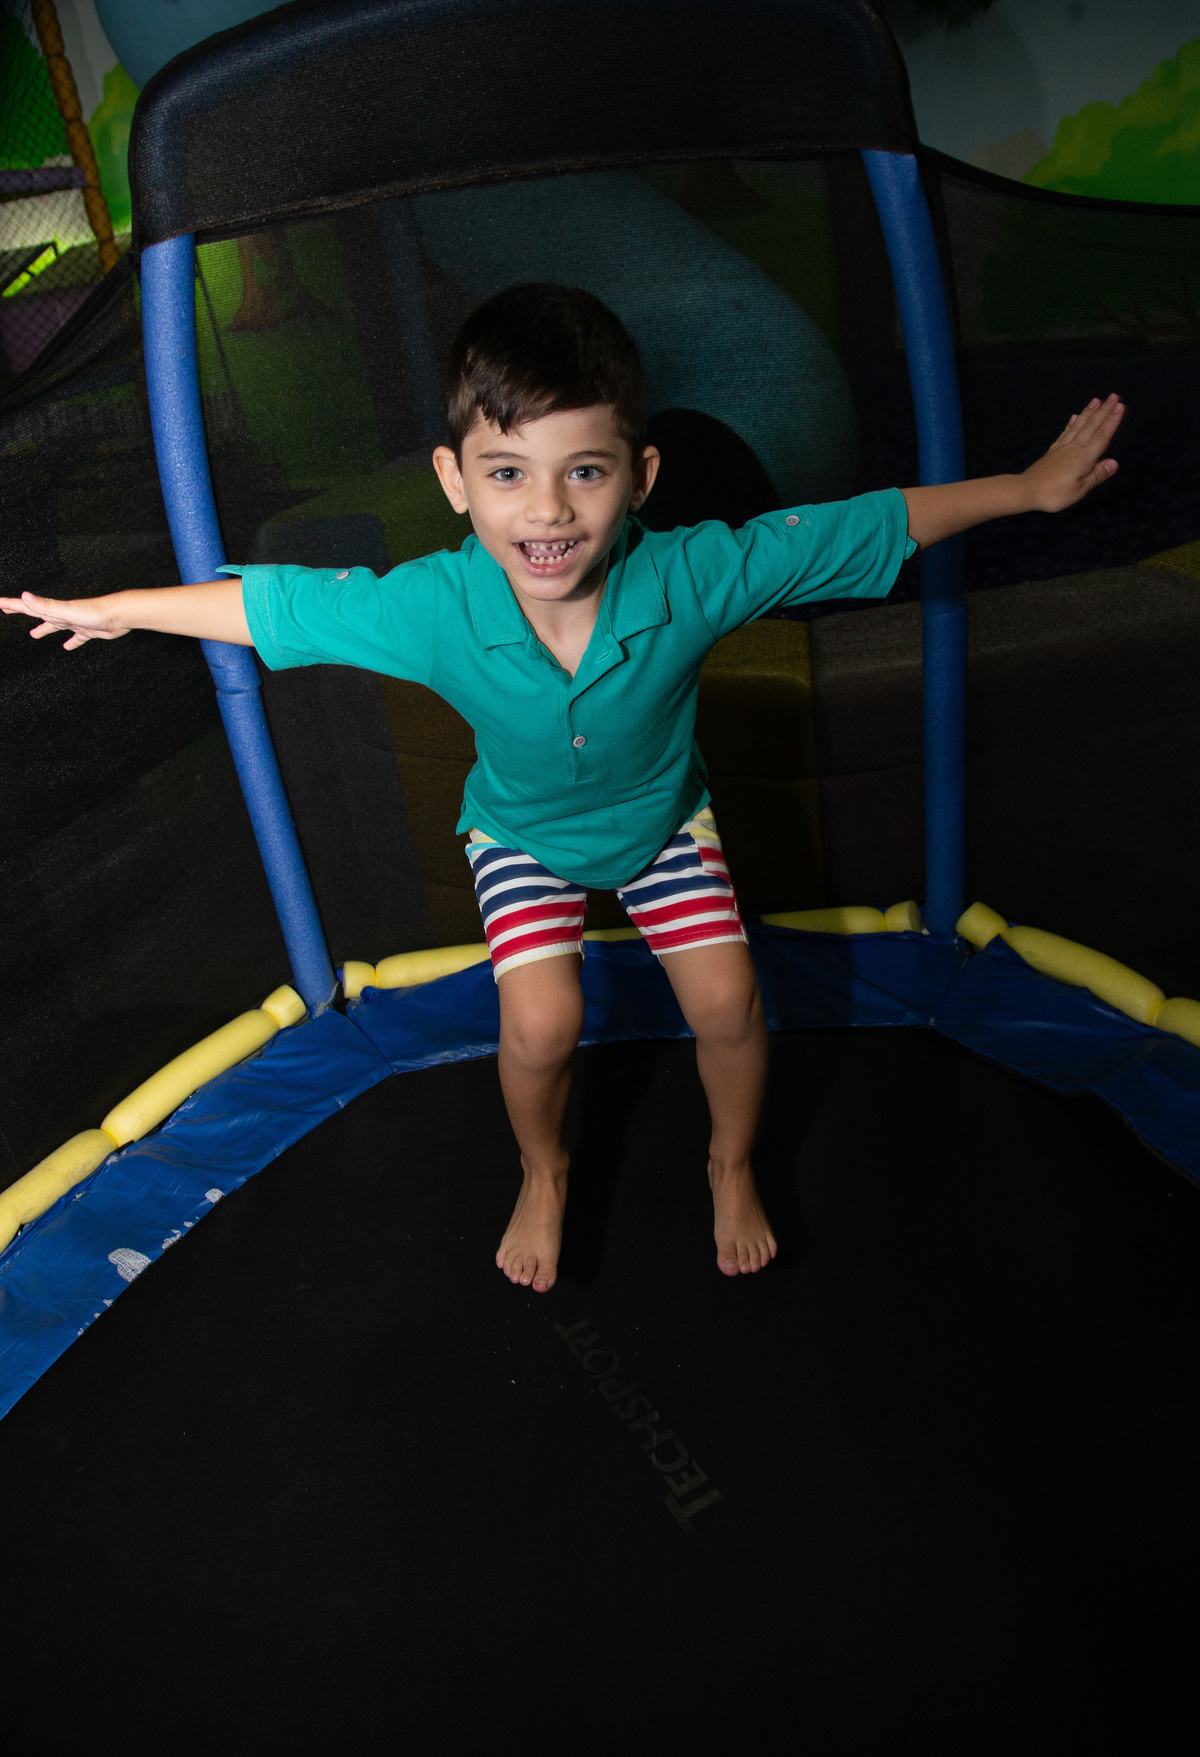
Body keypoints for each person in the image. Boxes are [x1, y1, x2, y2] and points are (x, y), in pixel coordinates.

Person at [1, 285, 1125, 1295]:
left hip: (661, 823)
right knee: (542, 1020)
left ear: (639, 479)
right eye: (507, 474)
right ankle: (544, 1168)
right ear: (455, 482)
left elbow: (862, 526)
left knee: (729, 1000)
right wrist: (121, 609)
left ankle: (730, 1161)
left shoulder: (692, 573)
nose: (546, 511)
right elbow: (276, 606)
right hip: (521, 835)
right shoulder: (432, 606)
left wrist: (1025, 490)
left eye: (583, 471)